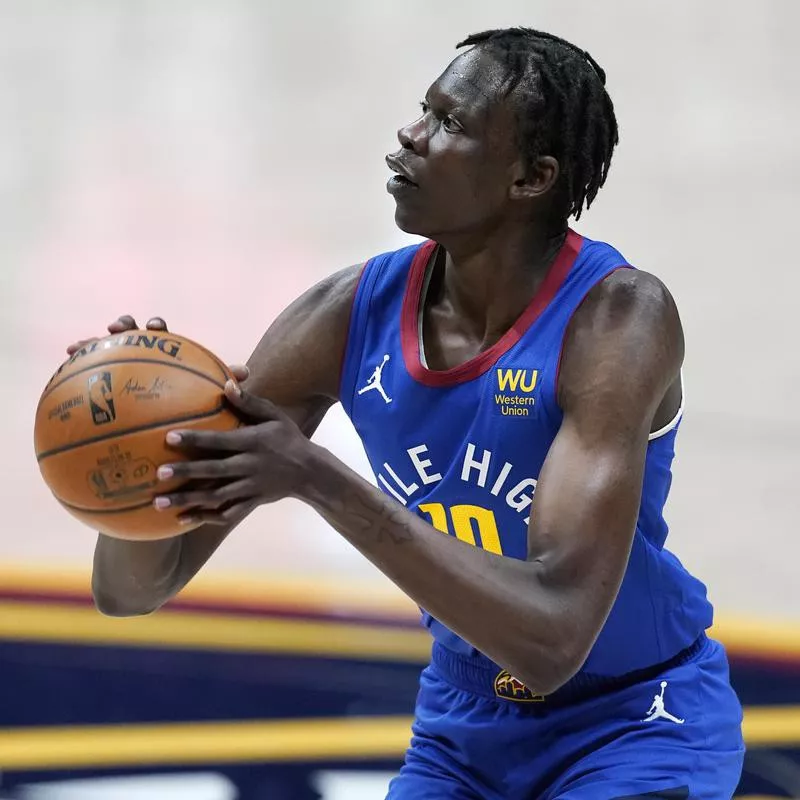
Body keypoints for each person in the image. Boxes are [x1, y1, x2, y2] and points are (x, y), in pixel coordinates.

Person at [72, 27, 745, 799]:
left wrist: (319, 480)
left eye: (451, 123)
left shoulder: (619, 321)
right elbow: (136, 589)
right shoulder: (344, 313)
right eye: (423, 110)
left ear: (532, 176)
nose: (411, 133)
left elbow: (553, 638)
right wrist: (125, 448)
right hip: (466, 725)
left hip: (636, 717)